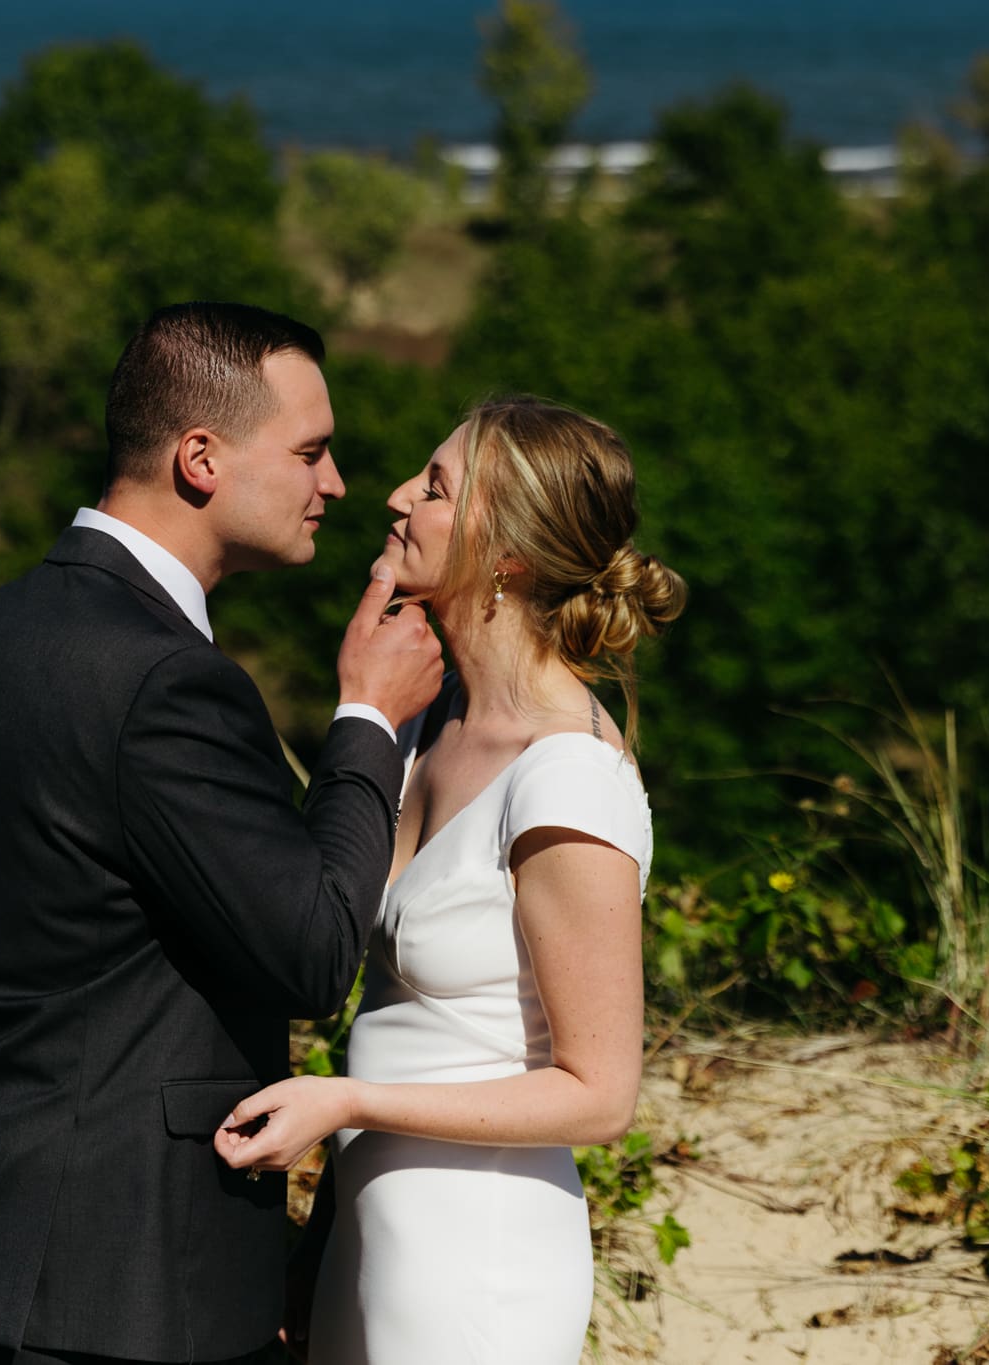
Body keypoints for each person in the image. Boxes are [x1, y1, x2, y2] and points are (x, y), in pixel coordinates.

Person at [0, 302, 444, 1365]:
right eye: (310, 452)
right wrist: (368, 720)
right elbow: (312, 949)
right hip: (121, 1292)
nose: (333, 486)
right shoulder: (166, 681)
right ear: (200, 457)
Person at [213, 397, 686, 1365]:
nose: (393, 498)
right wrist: (317, 1252)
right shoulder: (433, 730)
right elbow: (396, 1020)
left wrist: (344, 1103)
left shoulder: (567, 775)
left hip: (478, 1264)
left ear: (506, 555)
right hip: (369, 1248)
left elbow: (600, 1096)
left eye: (432, 487)